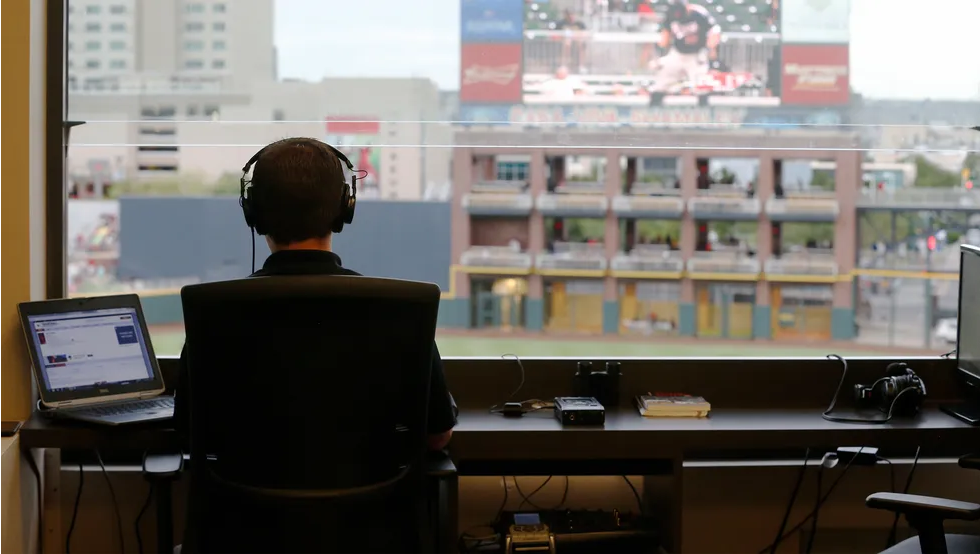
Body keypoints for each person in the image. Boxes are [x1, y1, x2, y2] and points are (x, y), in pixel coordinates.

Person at [174, 137, 457, 451]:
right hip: (373, 501)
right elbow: (437, 436)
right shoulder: (401, 309)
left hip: (241, 501)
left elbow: (188, 430)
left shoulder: (214, 312)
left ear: (254, 212)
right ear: (344, 208)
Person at [648, 0, 721, 95]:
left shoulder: (698, 13)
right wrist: (660, 55)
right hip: (678, 54)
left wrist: (710, 49)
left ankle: (703, 108)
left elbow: (714, 31)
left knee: (701, 88)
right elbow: (665, 37)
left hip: (696, 54)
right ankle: (656, 107)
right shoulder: (670, 13)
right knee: (661, 85)